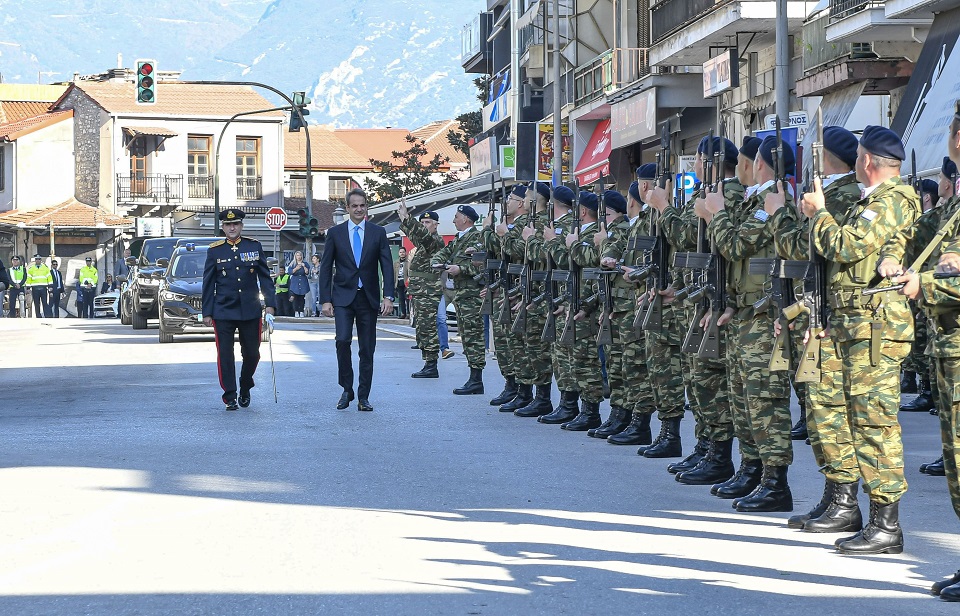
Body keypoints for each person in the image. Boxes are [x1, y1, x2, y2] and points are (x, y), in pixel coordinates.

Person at [802, 125, 920, 555]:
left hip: (876, 329)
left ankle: (887, 525)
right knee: (849, 414)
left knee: (875, 422)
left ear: (867, 161)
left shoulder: (890, 200)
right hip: (855, 323)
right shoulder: (872, 201)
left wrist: (819, 213)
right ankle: (857, 510)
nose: (854, 163)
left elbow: (847, 248)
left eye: (858, 158)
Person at [318, 188, 395, 412]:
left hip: (368, 298)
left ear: (366, 206)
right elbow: (325, 268)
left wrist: (388, 296)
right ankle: (346, 388)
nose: (359, 209)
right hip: (342, 297)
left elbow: (387, 266)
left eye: (362, 205)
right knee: (342, 340)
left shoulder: (377, 232)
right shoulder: (336, 233)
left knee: (367, 349)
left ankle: (363, 396)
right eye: (354, 206)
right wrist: (325, 300)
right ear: (348, 208)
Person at [201, 208, 276, 411]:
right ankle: (230, 395)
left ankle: (245, 383)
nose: (232, 228)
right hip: (223, 310)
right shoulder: (215, 250)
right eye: (228, 225)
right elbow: (208, 283)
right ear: (223, 227)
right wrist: (206, 312)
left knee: (252, 354)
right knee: (225, 354)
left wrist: (270, 306)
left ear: (241, 226)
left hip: (250, 310)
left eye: (235, 224)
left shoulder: (254, 246)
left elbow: (265, 278)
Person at [431, 205, 487, 395]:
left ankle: (476, 378)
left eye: (456, 217)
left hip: (472, 295)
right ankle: (473, 377)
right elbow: (445, 253)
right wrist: (437, 262)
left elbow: (481, 265)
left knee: (474, 336)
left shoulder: (477, 238)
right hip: (461, 295)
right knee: (466, 336)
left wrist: (461, 269)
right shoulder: (459, 239)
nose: (454, 221)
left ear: (466, 219)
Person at [398, 203, 446, 378]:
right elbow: (416, 235)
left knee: (428, 327)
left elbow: (423, 237)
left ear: (436, 225)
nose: (425, 225)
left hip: (428, 291)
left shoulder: (435, 241)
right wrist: (405, 220)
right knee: (421, 327)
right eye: (423, 222)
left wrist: (408, 219)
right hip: (420, 291)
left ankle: (432, 364)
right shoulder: (425, 242)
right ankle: (427, 361)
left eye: (428, 222)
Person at [287, 250, 310, 317]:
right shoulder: (292, 264)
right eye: (297, 255)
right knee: (295, 297)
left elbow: (307, 272)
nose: (299, 257)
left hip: (303, 281)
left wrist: (304, 266)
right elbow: (290, 272)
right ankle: (296, 311)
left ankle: (301, 311)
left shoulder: (305, 263)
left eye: (300, 255)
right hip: (295, 281)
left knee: (302, 297)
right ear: (295, 256)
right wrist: (296, 268)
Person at [394, 246, 409, 319]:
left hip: (406, 282)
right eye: (400, 252)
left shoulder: (408, 262)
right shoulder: (396, 262)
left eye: (403, 252)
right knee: (401, 299)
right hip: (399, 282)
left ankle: (409, 313)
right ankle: (403, 313)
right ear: (398, 253)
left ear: (405, 253)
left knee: (408, 298)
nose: (402, 253)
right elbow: (394, 273)